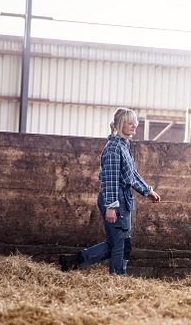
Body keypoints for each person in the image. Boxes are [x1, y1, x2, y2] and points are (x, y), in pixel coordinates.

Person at [60, 107, 160, 274]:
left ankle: (73, 261)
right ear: (120, 124)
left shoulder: (123, 145)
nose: (134, 126)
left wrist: (147, 190)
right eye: (130, 123)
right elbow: (111, 179)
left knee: (119, 243)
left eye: (135, 123)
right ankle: (117, 277)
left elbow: (131, 174)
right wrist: (111, 206)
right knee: (120, 244)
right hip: (115, 198)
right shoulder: (113, 149)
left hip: (124, 197)